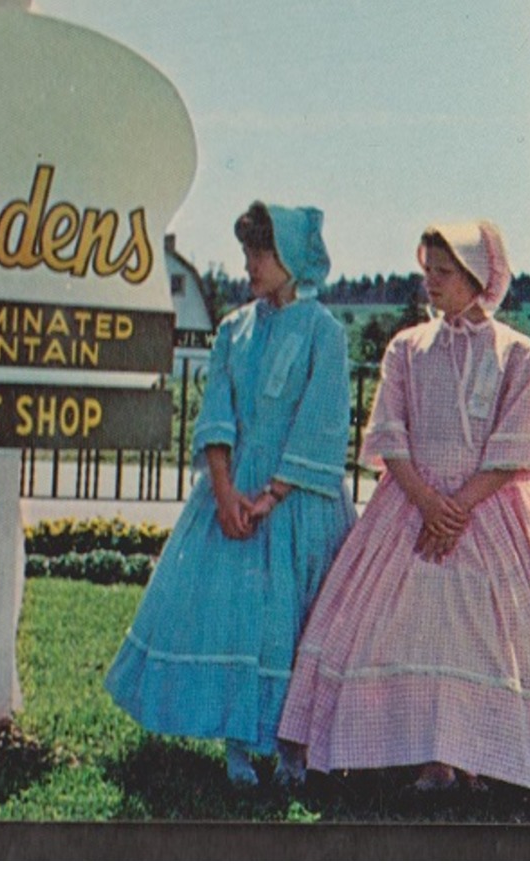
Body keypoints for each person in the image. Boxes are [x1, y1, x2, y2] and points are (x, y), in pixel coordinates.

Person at [277, 220, 530, 792]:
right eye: (428, 272)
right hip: (410, 505)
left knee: (487, 631)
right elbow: (388, 433)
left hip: (489, 508)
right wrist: (427, 502)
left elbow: (516, 443)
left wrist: (458, 508)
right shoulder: (407, 348)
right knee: (408, 618)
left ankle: (476, 755)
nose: (432, 283)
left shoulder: (515, 353)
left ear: (478, 278)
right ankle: (421, 752)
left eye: (444, 273)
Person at [104, 202, 355, 787]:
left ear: (290, 257)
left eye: (259, 253)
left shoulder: (326, 333)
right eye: (246, 252)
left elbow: (322, 421)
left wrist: (271, 496)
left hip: (298, 499)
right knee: (235, 617)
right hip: (233, 493)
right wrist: (224, 492)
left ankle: (293, 746)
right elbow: (215, 413)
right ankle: (238, 741)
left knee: (293, 621)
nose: (249, 264)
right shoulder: (232, 329)